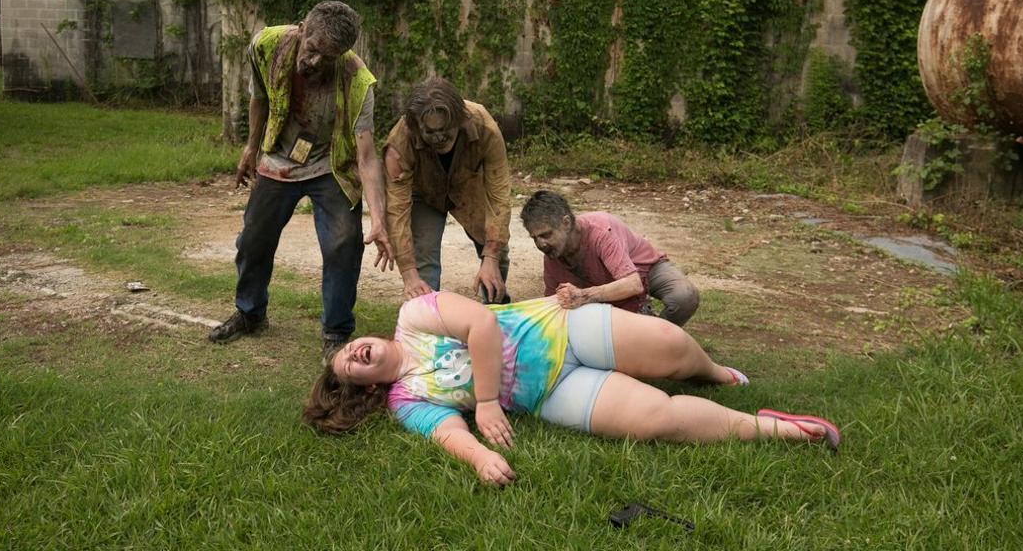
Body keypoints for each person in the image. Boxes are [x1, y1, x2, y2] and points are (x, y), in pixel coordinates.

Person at [303, 292, 839, 486]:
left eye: (349, 349)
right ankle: (776, 428)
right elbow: (446, 431)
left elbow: (481, 327)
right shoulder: (405, 400)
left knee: (672, 347)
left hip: (557, 327)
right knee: (656, 419)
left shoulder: (414, 317)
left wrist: (485, 402)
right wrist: (479, 459)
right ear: (368, 389)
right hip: (551, 392)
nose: (354, 355)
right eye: (350, 369)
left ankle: (712, 371)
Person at [209, 1, 393, 351]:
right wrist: (251, 147)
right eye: (312, 49)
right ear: (302, 27)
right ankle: (250, 313)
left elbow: (367, 157)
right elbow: (259, 97)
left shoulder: (358, 80)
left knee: (343, 243)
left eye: (328, 57)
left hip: (331, 165)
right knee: (254, 239)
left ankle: (336, 333)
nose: (315, 62)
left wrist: (379, 220)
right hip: (280, 156)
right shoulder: (266, 45)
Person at [383, 76, 511, 304]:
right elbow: (396, 209)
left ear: (459, 119)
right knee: (424, 258)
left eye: (445, 130)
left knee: (496, 255)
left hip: (469, 187)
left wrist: (491, 255)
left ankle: (496, 309)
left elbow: (499, 196)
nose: (439, 138)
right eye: (429, 133)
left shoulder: (485, 127)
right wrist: (409, 273)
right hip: (423, 192)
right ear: (416, 127)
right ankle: (427, 319)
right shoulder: (400, 142)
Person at [520, 190, 700, 326]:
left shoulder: (600, 231)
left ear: (566, 223)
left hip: (645, 269)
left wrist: (584, 296)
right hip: (606, 284)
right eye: (534, 238)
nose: (540, 244)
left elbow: (632, 284)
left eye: (546, 235)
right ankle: (647, 329)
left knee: (684, 297)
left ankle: (663, 337)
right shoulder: (552, 254)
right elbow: (555, 304)